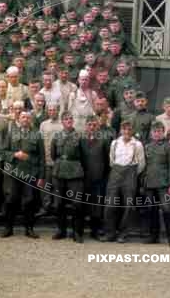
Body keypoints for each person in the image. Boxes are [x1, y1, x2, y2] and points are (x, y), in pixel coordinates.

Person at [0, 111, 44, 238]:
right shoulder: (11, 133)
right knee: (11, 199)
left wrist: (41, 177)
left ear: (31, 120)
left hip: (30, 173)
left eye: (28, 117)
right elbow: (1, 152)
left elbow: (41, 158)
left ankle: (29, 229)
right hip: (13, 172)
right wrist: (14, 155)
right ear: (19, 118)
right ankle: (8, 228)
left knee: (29, 201)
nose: (25, 119)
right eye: (23, 117)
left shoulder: (37, 134)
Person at [101, 120, 145, 243]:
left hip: (130, 175)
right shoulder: (115, 143)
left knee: (128, 205)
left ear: (132, 131)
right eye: (124, 129)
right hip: (115, 173)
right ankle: (109, 233)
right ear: (121, 130)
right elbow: (111, 160)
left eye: (129, 129)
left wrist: (131, 174)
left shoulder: (137, 145)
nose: (126, 131)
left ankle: (123, 233)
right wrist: (118, 171)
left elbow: (141, 164)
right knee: (110, 204)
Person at [143, 121, 170, 247]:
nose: (157, 134)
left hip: (164, 184)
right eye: (155, 131)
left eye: (159, 131)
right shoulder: (147, 147)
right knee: (151, 210)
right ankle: (154, 236)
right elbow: (144, 166)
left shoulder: (168, 147)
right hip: (150, 184)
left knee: (167, 209)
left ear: (163, 132)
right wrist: (143, 183)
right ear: (151, 133)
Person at [50, 112, 85, 242]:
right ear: (62, 122)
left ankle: (77, 232)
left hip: (75, 173)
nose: (69, 120)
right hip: (59, 173)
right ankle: (61, 230)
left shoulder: (79, 136)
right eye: (66, 119)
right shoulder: (57, 136)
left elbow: (83, 155)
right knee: (59, 204)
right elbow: (53, 155)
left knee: (77, 204)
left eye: (71, 118)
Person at [79, 115, 111, 239]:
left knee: (97, 206)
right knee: (82, 204)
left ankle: (95, 231)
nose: (92, 127)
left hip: (99, 178)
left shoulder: (103, 140)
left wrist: (104, 175)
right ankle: (79, 231)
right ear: (86, 126)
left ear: (97, 126)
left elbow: (108, 159)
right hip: (84, 177)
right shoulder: (81, 139)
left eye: (94, 125)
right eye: (89, 125)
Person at [38, 104, 63, 216]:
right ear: (47, 111)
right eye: (50, 110)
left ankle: (57, 207)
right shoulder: (43, 124)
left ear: (58, 111)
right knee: (46, 185)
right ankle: (46, 207)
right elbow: (40, 141)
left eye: (54, 110)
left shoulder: (62, 124)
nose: (52, 112)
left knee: (57, 186)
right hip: (46, 160)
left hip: (58, 161)